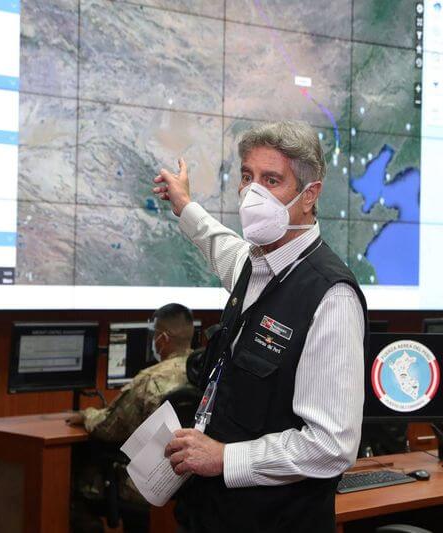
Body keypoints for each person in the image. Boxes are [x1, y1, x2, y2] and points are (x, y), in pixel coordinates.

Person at [152, 120, 367, 533]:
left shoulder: (330, 297)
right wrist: (184, 204)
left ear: (310, 195)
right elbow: (219, 244)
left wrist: (224, 458)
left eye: (272, 180)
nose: (253, 194)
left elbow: (332, 445)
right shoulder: (256, 264)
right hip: (215, 513)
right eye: (248, 177)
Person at [66, 303, 196, 440]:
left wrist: (86, 415)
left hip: (154, 458)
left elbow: (108, 428)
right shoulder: (204, 370)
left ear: (163, 339)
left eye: (154, 334)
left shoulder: (150, 379)